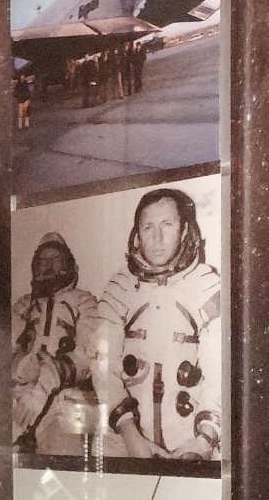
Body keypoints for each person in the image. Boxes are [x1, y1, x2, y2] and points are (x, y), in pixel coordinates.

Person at [81, 186, 221, 460]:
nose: (157, 237)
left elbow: (220, 372)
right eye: (148, 227)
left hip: (193, 444)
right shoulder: (120, 290)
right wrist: (129, 434)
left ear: (184, 230)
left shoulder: (208, 287)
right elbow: (103, 367)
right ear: (137, 235)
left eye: (167, 225)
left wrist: (203, 442)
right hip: (128, 438)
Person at [12, 231, 98, 452]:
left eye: (55, 258)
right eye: (43, 260)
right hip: (23, 396)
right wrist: (22, 366)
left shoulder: (85, 301)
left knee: (65, 461)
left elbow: (88, 355)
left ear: (68, 263)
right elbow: (1, 355)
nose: (49, 264)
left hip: (70, 397)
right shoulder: (24, 305)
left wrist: (48, 379)